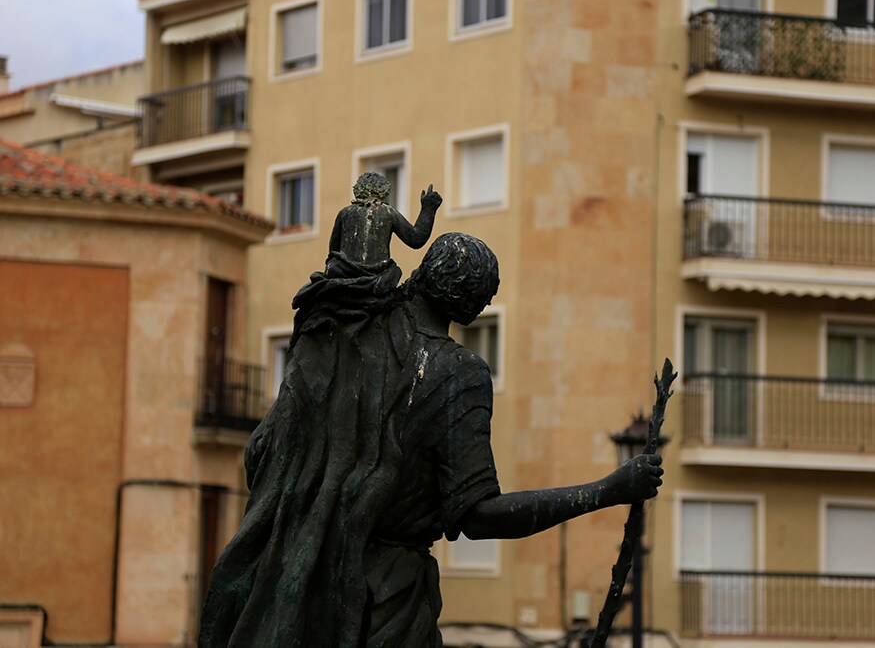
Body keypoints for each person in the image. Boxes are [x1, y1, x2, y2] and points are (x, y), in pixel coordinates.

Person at [199, 233, 663, 647]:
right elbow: (478, 515)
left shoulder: (335, 334)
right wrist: (608, 490)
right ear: (471, 307)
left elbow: (260, 453)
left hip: (284, 584)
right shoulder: (458, 371)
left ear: (422, 275)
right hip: (385, 602)